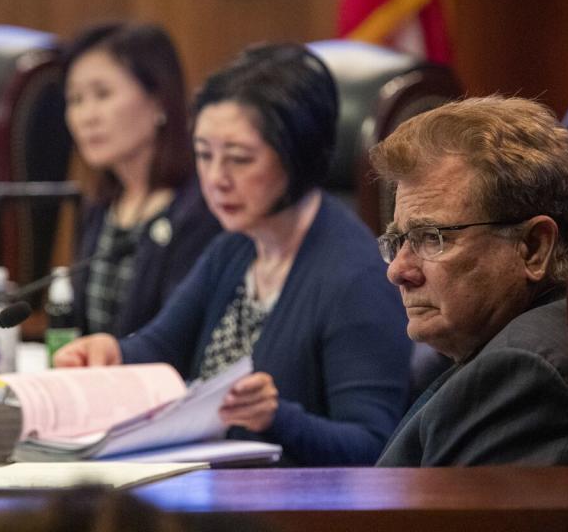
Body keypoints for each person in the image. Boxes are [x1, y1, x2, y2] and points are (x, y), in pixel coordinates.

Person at [56, 43, 411, 466]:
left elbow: (376, 448)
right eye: (204, 155)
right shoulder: (235, 247)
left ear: (296, 159)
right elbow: (162, 346)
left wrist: (277, 418)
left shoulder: (353, 278)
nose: (216, 178)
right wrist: (110, 354)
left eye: (239, 159)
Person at [370, 96, 568, 466]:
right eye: (398, 240)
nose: (398, 271)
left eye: (432, 237)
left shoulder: (518, 374)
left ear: (533, 248)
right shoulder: (491, 351)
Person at [62, 22, 221, 337]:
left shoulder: (200, 210)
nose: (86, 116)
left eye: (102, 94)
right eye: (75, 100)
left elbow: (181, 339)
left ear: (158, 100)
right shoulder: (101, 209)